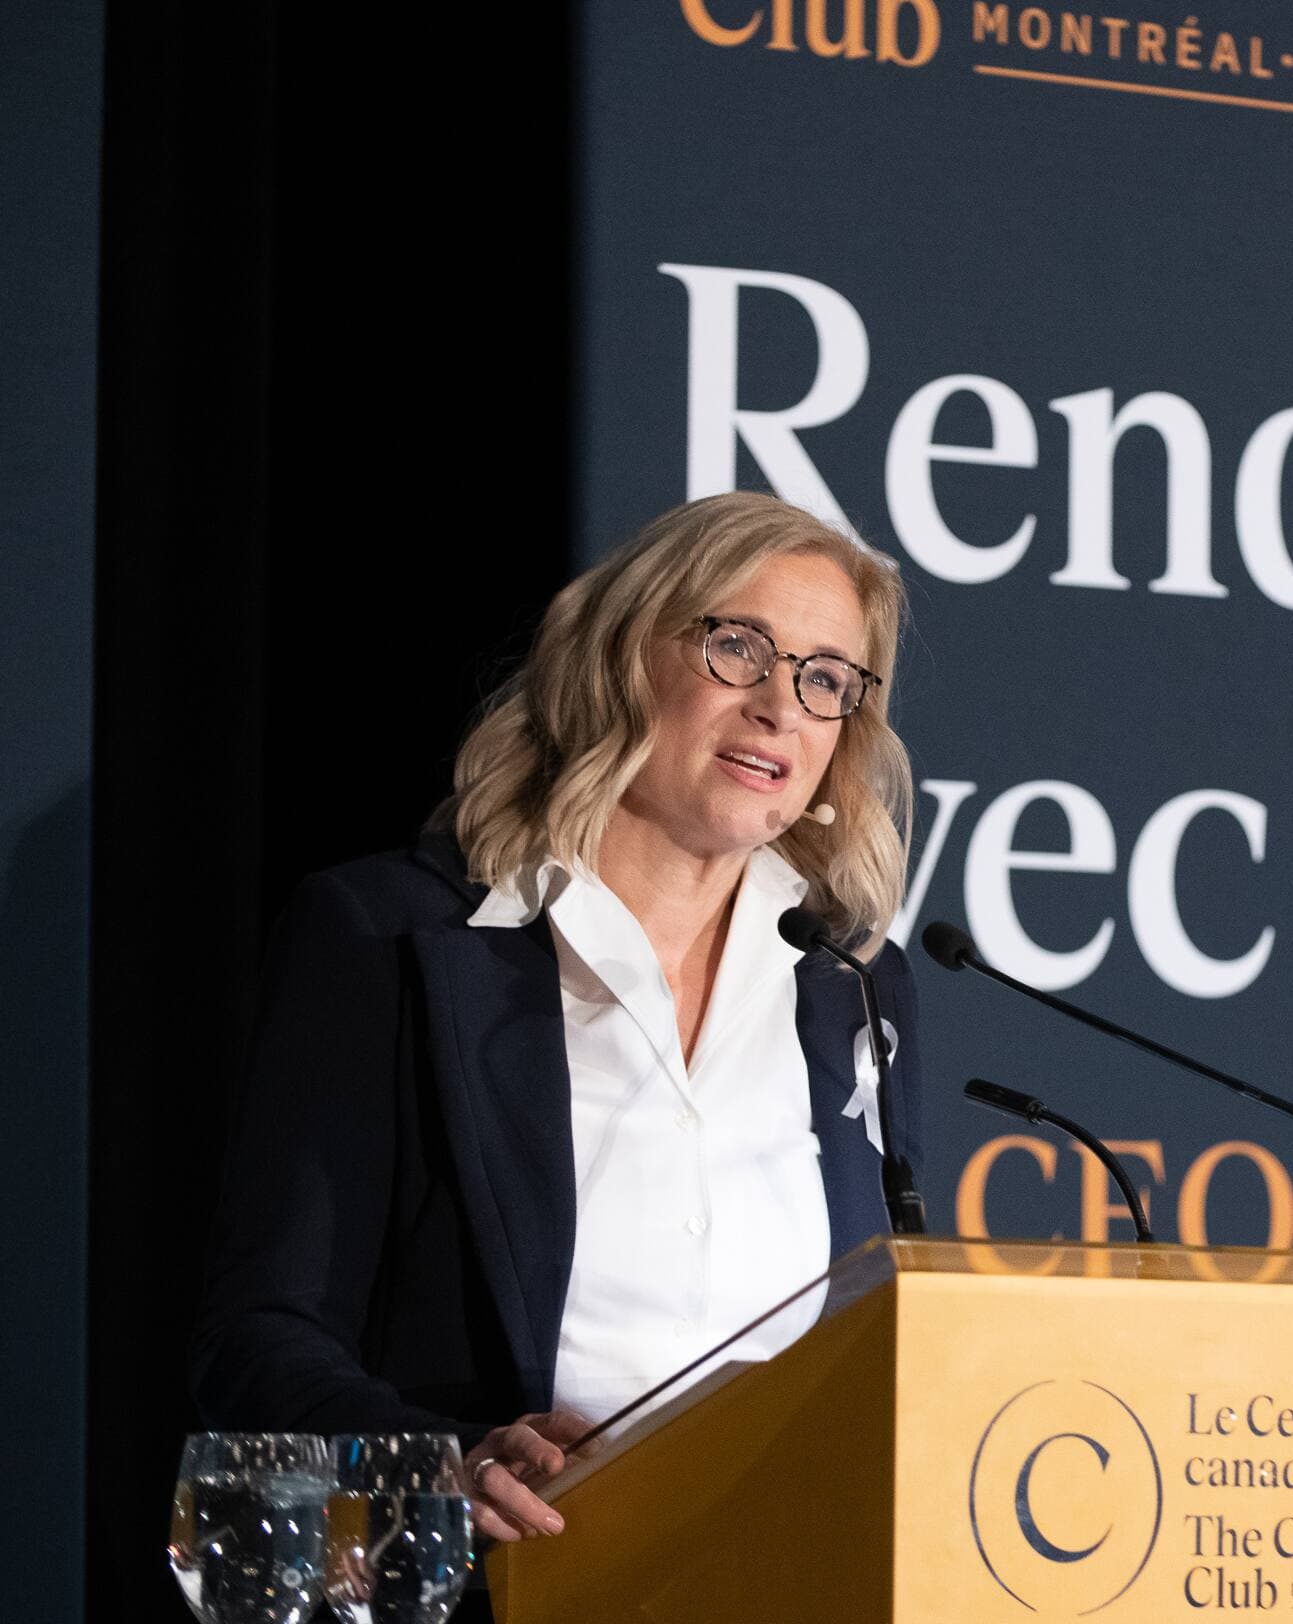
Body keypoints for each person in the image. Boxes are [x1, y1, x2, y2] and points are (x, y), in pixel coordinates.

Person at [192, 491, 926, 1549]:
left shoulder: (852, 983)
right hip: (503, 1581)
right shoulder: (390, 939)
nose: (781, 706)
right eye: (737, 646)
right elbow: (259, 1340)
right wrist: (452, 1464)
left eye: (826, 679)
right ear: (622, 657)